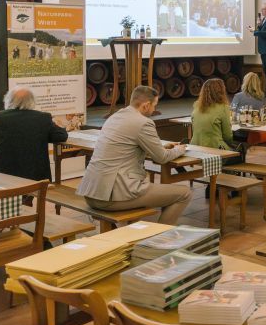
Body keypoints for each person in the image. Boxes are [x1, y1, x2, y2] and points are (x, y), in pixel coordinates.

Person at [76, 86, 191, 225]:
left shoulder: (115, 117)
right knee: (184, 193)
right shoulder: (144, 123)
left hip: (91, 192)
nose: (154, 109)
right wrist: (180, 149)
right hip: (111, 196)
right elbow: (161, 158)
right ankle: (160, 236)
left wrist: (161, 148)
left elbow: (126, 147)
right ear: (146, 105)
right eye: (154, 105)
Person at [0, 88, 68, 181]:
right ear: (32, 101)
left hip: (1, 174)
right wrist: (39, 135)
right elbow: (61, 136)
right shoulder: (43, 118)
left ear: (8, 100)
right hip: (35, 177)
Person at [190, 78, 233, 150]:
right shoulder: (223, 108)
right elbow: (227, 136)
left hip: (195, 147)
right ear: (221, 91)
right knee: (239, 151)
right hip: (214, 148)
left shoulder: (197, 106)